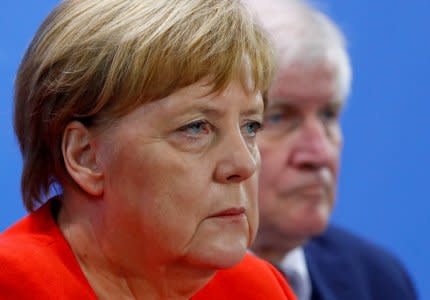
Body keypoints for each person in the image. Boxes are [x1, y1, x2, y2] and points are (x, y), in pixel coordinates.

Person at [0, 0, 296, 299]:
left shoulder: (258, 288)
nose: (244, 164)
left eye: (251, 127)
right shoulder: (12, 286)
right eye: (195, 127)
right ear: (85, 156)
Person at [244, 0, 418, 299]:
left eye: (328, 116)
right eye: (278, 117)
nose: (319, 154)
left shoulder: (377, 280)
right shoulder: (153, 285)